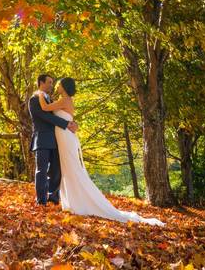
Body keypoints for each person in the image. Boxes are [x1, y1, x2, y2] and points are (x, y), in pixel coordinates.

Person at [38, 77, 164, 225]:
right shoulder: (62, 100)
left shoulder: (65, 100)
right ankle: (73, 202)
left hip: (66, 138)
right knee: (68, 170)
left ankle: (83, 203)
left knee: (73, 169)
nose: (56, 86)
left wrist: (39, 93)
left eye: (58, 84)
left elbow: (45, 108)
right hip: (64, 138)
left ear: (64, 87)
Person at [28, 74, 76, 206]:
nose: (51, 85)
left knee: (56, 170)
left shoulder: (50, 99)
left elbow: (65, 113)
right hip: (42, 139)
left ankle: (54, 197)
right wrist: (66, 124)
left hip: (57, 139)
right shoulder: (34, 99)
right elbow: (45, 116)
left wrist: (72, 123)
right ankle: (41, 200)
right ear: (40, 82)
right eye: (49, 82)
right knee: (41, 170)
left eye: (52, 82)